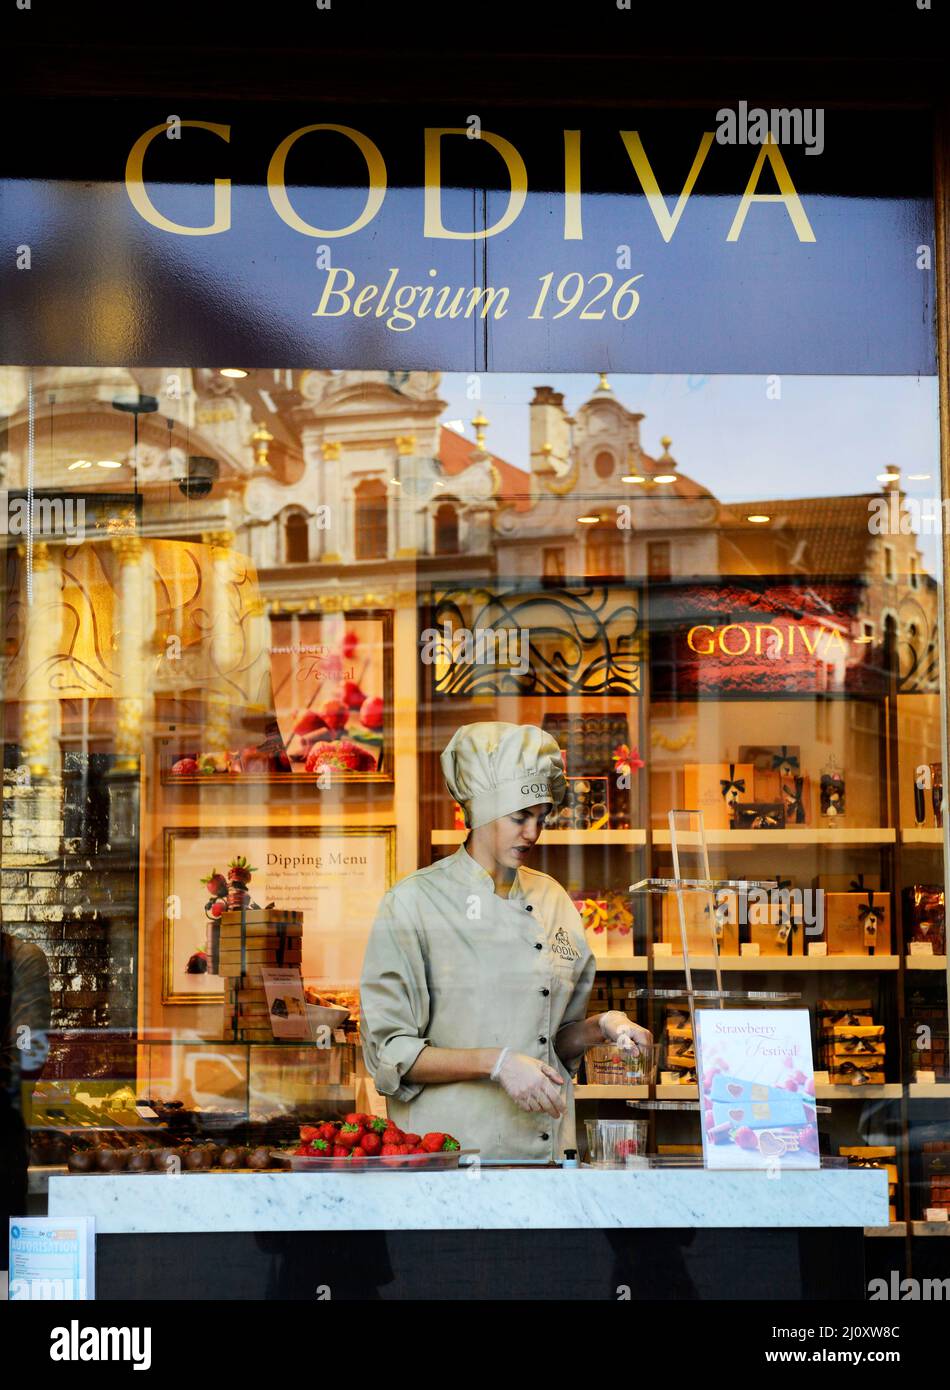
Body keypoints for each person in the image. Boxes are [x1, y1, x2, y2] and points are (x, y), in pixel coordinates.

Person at [360, 721, 652, 1161]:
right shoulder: (413, 904)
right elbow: (390, 1052)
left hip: (547, 1153)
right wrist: (496, 1063)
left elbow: (549, 1040)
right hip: (450, 1158)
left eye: (541, 817)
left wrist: (603, 1027)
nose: (532, 833)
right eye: (520, 817)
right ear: (480, 812)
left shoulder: (551, 898)